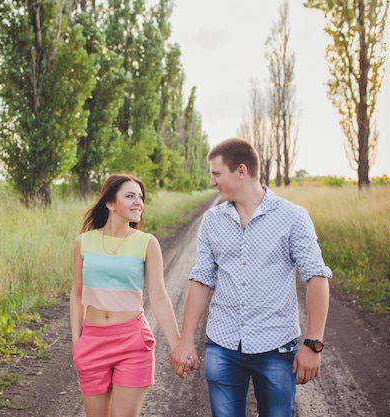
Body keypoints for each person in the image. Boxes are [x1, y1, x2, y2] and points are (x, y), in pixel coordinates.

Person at [170, 137, 332, 417]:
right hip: (222, 344)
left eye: (217, 174)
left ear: (241, 171)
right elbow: (201, 280)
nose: (212, 182)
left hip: (276, 347)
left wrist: (313, 344)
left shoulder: (293, 217)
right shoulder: (212, 221)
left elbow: (316, 277)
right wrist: (186, 339)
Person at [70, 173, 181, 417]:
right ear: (110, 203)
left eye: (140, 197)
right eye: (130, 196)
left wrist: (177, 345)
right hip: (92, 341)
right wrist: (77, 341)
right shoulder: (84, 242)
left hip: (132, 342)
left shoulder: (147, 243)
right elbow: (77, 293)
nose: (138, 202)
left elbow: (159, 296)